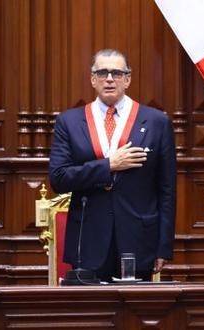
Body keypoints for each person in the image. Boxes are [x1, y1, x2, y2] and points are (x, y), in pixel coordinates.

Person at [49, 49, 176, 282]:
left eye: (117, 73)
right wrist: (108, 165)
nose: (109, 78)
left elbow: (167, 190)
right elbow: (59, 178)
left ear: (127, 79)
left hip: (139, 239)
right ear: (92, 79)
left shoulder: (157, 122)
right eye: (102, 72)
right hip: (87, 240)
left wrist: (164, 246)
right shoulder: (69, 121)